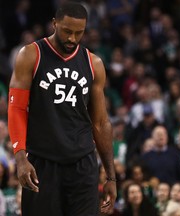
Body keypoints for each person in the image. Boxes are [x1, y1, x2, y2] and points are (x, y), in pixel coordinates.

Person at [7, 2, 117, 216]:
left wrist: (111, 176)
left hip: (83, 163)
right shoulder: (31, 55)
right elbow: (17, 108)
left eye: (79, 33)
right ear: (54, 23)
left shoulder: (93, 63)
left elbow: (101, 122)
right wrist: (20, 157)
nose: (72, 39)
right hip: (43, 162)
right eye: (67, 31)